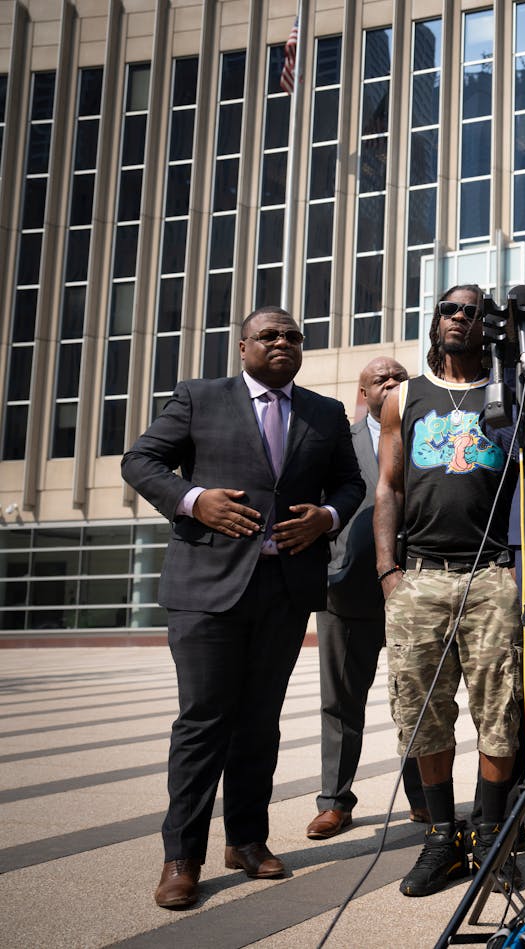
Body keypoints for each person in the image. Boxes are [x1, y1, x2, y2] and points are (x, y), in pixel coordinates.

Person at [122, 305, 364, 910]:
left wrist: (327, 517)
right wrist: (194, 499)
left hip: (284, 590)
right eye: (269, 335)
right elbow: (141, 461)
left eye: (292, 336)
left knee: (260, 720)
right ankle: (183, 857)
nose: (282, 342)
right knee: (204, 723)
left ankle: (247, 841)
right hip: (206, 589)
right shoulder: (199, 397)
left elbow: (351, 484)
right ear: (243, 346)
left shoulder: (325, 412)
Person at [373, 286, 522, 898]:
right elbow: (389, 487)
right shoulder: (403, 396)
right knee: (419, 713)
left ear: (489, 327)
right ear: (435, 322)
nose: (461, 317)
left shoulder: (508, 393)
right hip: (421, 576)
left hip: (493, 575)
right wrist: (388, 571)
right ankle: (442, 837)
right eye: (451, 309)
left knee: (502, 710)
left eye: (475, 311)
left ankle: (489, 834)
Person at [306, 357, 429, 841]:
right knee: (340, 703)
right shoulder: (339, 443)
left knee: (419, 701)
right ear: (363, 392)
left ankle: (425, 798)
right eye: (383, 379)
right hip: (346, 594)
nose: (394, 384)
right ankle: (335, 802)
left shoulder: (429, 435)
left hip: (415, 591)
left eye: (401, 377)